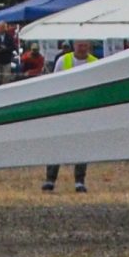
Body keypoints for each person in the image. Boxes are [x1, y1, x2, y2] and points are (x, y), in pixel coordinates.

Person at [46, 42, 93, 190]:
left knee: (82, 146)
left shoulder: (95, 62)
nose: (82, 48)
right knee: (57, 144)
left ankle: (79, 181)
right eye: (79, 45)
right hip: (63, 109)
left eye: (84, 45)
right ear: (74, 45)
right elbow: (54, 83)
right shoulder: (62, 61)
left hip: (84, 110)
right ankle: (50, 180)